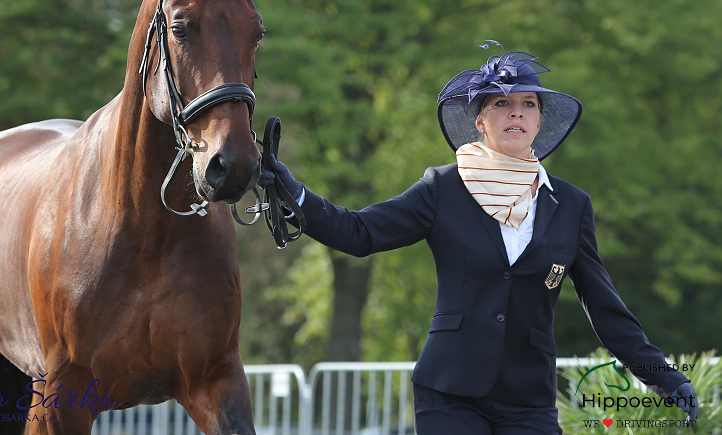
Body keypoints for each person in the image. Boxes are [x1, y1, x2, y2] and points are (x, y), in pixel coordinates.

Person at [260, 46, 699, 434]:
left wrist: (663, 376)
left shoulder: (571, 203)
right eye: (502, 104)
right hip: (449, 391)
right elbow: (358, 233)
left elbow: (605, 309)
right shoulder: (441, 188)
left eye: (528, 104)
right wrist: (294, 193)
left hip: (528, 398)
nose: (517, 112)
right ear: (480, 122)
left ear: (539, 120)